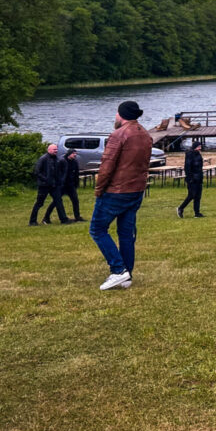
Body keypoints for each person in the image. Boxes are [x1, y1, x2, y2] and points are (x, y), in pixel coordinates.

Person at [90, 101, 153, 290]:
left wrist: (99, 189)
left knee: (97, 229)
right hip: (137, 190)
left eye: (117, 113)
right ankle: (127, 276)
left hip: (116, 191)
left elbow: (107, 165)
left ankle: (118, 270)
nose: (115, 116)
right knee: (126, 233)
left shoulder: (118, 134)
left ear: (122, 115)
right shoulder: (145, 135)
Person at [30, 142, 70, 226]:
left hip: (54, 185)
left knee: (58, 201)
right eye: (54, 149)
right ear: (49, 150)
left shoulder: (57, 159)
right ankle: (32, 221)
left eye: (56, 149)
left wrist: (60, 181)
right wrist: (46, 179)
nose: (56, 151)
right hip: (44, 185)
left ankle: (64, 219)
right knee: (39, 203)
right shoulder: (43, 159)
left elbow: (58, 171)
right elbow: (37, 171)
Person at [177, 142, 204, 218]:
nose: (200, 148)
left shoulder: (199, 154)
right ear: (195, 147)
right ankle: (180, 208)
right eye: (198, 147)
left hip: (199, 177)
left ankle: (197, 213)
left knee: (198, 196)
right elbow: (187, 167)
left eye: (200, 146)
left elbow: (200, 166)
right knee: (191, 195)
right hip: (192, 179)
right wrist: (190, 178)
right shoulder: (190, 155)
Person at [60, 148, 84, 222]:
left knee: (75, 200)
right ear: (69, 154)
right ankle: (46, 217)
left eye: (75, 154)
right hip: (63, 185)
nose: (75, 155)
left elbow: (76, 174)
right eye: (73, 153)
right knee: (56, 202)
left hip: (71, 185)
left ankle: (77, 217)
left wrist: (76, 183)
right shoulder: (63, 161)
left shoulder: (74, 162)